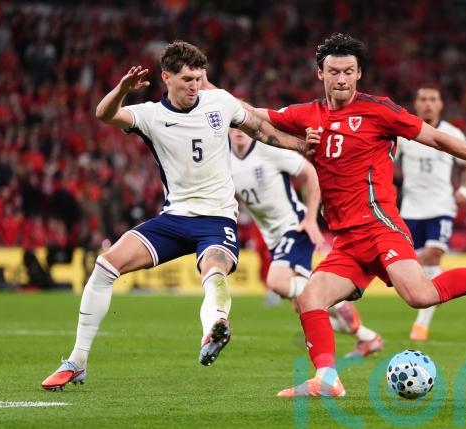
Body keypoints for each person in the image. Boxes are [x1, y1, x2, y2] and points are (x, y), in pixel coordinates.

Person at [251, 33, 466, 397]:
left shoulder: (379, 111)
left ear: (359, 74)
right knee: (310, 299)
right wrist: (211, 97)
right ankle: (326, 379)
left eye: (349, 71)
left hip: (379, 227)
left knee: (420, 295)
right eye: (334, 71)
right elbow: (253, 116)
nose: (342, 79)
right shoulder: (306, 114)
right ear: (320, 73)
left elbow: (436, 138)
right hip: (348, 240)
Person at [41, 40, 305, 391]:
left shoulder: (220, 102)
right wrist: (122, 89)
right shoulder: (151, 115)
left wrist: (301, 146)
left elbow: (260, 128)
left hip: (217, 219)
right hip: (174, 218)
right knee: (105, 266)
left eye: (198, 78)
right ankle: (77, 361)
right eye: (187, 80)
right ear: (166, 77)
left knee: (213, 268)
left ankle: (214, 328)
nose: (195, 86)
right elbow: (104, 114)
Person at [229, 127, 384, 358]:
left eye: (241, 124)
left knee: (277, 282)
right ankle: (367, 337)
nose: (238, 130)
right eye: (232, 125)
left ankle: (339, 304)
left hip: (295, 226)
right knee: (304, 305)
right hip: (274, 238)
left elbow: (310, 172)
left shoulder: (268, 150)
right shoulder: (224, 160)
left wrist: (311, 218)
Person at [394, 85, 466, 341]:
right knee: (423, 267)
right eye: (423, 99)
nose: (428, 104)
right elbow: (387, 161)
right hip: (411, 208)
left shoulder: (453, 133)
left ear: (440, 104)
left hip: (441, 206)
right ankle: (437, 291)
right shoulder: (404, 133)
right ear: (416, 104)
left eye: (433, 99)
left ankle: (420, 326)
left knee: (433, 254)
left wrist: (464, 189)